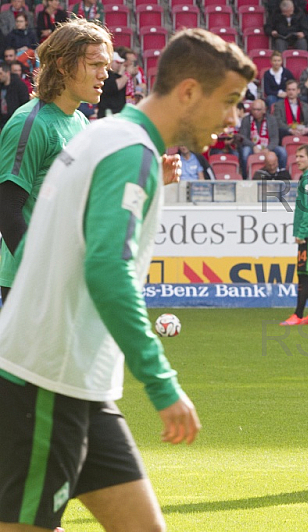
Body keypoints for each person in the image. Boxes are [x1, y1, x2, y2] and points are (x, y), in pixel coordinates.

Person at [0, 27, 255, 530]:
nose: (233, 120)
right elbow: (105, 268)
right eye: (229, 102)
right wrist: (161, 384)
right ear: (187, 92)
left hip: (81, 381)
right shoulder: (123, 148)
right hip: (47, 376)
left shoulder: (102, 133)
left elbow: (63, 240)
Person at [0, 20, 112, 304]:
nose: (105, 74)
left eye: (106, 65)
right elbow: (7, 210)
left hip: (66, 279)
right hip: (31, 284)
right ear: (63, 65)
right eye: (95, 64)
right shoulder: (30, 124)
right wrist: (41, 275)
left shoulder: (80, 122)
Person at [281, 144, 308, 326]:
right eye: (296, 156)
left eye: (301, 156)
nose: (297, 160)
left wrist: (301, 232)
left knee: (304, 273)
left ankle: (298, 315)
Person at [238, 98, 287, 178]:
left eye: (258, 110)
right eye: (253, 109)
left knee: (282, 151)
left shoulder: (272, 119)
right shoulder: (246, 120)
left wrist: (268, 149)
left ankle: (281, 175)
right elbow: (243, 138)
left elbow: (275, 139)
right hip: (252, 146)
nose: (255, 112)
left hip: (268, 146)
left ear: (264, 110)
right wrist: (253, 146)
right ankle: (245, 176)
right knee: (245, 152)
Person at [274, 79, 308, 146]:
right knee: (279, 132)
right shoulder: (278, 105)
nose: (291, 92)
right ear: (286, 91)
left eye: (293, 90)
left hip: (303, 131)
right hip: (288, 131)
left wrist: (306, 129)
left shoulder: (305, 105)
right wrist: (291, 130)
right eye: (289, 90)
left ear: (298, 91)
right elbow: (278, 122)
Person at [97, 51, 129, 118]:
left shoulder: (114, 75)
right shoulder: (104, 75)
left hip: (117, 113)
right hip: (107, 115)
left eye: (120, 63)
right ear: (110, 62)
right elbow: (115, 86)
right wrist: (128, 74)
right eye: (117, 62)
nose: (119, 65)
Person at [0, 62, 29, 129]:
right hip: (3, 121)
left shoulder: (19, 86)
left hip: (16, 121)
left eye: (1, 73)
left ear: (7, 72)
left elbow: (24, 104)